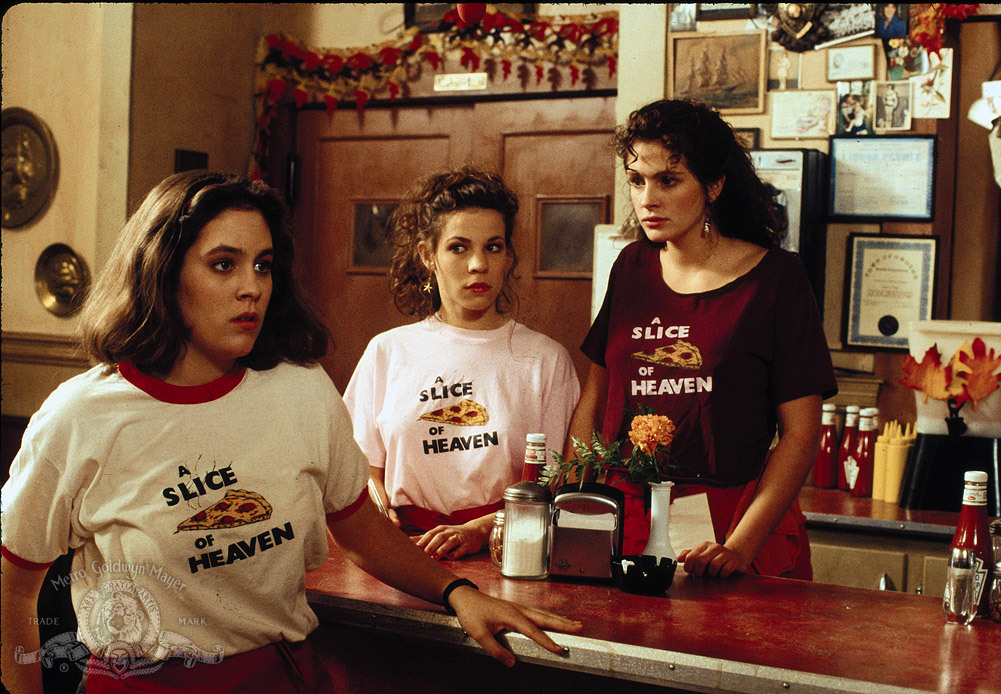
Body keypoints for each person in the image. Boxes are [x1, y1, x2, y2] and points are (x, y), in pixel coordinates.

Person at [0, 170, 582, 694]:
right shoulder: (81, 416)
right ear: (163, 269)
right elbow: (13, 593)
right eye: (223, 264)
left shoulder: (299, 389)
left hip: (279, 676)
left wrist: (459, 594)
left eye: (263, 264)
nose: (251, 286)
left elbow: (361, 532)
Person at [569, 99, 836, 581]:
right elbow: (594, 400)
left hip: (728, 519)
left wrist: (740, 547)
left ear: (712, 185)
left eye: (668, 181)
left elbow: (800, 434)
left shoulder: (776, 279)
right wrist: (572, 508)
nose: (647, 198)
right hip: (621, 512)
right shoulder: (631, 266)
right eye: (636, 180)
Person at [344, 166, 580, 560]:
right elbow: (360, 466)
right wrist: (379, 507)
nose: (477, 265)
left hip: (508, 551)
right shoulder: (388, 351)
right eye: (458, 247)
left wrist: (480, 530)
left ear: (508, 258)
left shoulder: (545, 360)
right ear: (427, 256)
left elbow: (557, 484)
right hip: (403, 552)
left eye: (493, 247)